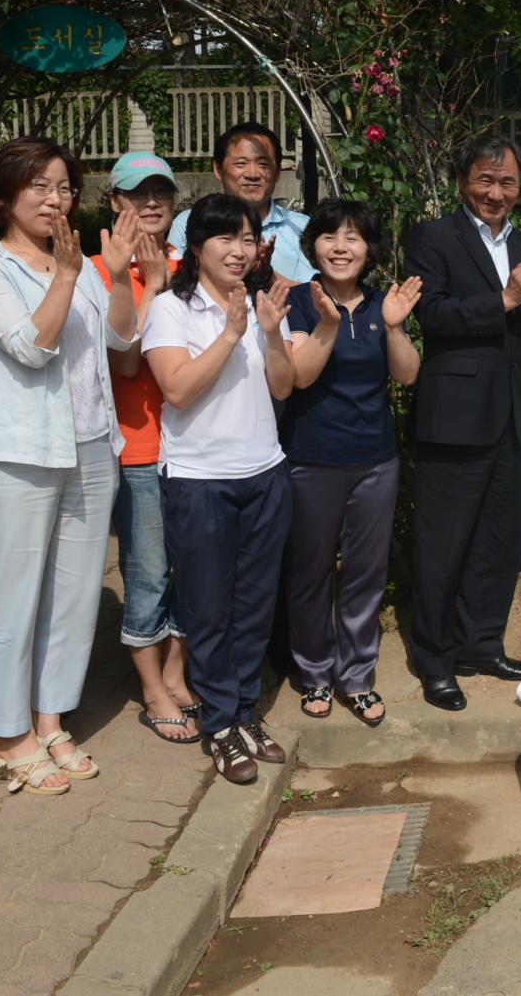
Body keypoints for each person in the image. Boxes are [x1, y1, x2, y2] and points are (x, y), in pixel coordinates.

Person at [0, 138, 139, 796]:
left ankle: (49, 718)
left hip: (91, 443)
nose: (54, 197)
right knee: (17, 592)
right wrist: (66, 275)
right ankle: (10, 736)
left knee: (74, 594)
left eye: (63, 186)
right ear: (5, 194)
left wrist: (113, 274)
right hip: (23, 450)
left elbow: (122, 340)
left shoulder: (82, 263)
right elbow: (31, 347)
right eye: (39, 185)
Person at [402, 136, 521, 712]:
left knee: (497, 545)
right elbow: (431, 315)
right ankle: (434, 660)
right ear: (463, 181)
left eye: (507, 183)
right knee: (442, 544)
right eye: (485, 180)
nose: (496, 193)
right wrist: (506, 297)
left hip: (511, 414)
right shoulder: (433, 237)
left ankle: (482, 644)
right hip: (454, 418)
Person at [143, 194, 296, 784]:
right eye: (225, 238)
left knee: (255, 605)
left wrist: (271, 334)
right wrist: (232, 334)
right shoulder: (170, 309)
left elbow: (282, 389)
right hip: (199, 480)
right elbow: (178, 389)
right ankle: (219, 725)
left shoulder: (262, 305)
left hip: (264, 472)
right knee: (208, 608)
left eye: (248, 238)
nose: (239, 249)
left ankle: (242, 711)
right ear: (196, 247)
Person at [283, 200, 421, 726]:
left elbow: (407, 376)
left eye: (353, 238)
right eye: (329, 237)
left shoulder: (385, 304)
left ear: (369, 249)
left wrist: (393, 329)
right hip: (311, 459)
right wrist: (326, 323)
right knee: (311, 570)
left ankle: (358, 677)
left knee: (366, 572)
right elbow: (299, 377)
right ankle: (316, 672)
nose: (341, 247)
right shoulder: (298, 301)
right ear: (313, 245)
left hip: (374, 460)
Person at [91, 152, 201, 744]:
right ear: (114, 203)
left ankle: (177, 670)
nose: (150, 203)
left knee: (193, 569)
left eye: (160, 192)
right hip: (137, 450)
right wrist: (148, 285)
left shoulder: (193, 265)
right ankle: (151, 689)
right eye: (136, 194)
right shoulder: (94, 270)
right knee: (149, 573)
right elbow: (125, 361)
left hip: (192, 449)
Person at [167, 121, 315, 286]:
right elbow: (177, 284)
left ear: (278, 172)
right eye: (240, 164)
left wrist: (268, 276)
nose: (253, 174)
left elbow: (315, 294)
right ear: (217, 168)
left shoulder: (301, 226)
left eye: (263, 164)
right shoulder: (187, 222)